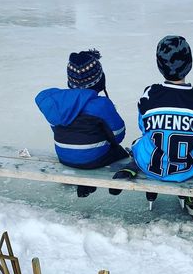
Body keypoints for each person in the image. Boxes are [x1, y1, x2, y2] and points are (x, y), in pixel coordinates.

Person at [131, 35, 193, 218]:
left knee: (139, 141)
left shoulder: (149, 95)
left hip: (151, 168)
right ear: (190, 64)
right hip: (188, 169)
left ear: (159, 65)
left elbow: (143, 128)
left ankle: (153, 190)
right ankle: (191, 200)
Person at [35, 49, 128, 197]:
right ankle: (114, 184)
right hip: (94, 160)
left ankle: (84, 185)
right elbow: (118, 134)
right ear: (99, 80)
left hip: (64, 157)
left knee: (85, 148)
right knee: (122, 153)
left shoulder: (56, 103)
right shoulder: (101, 105)